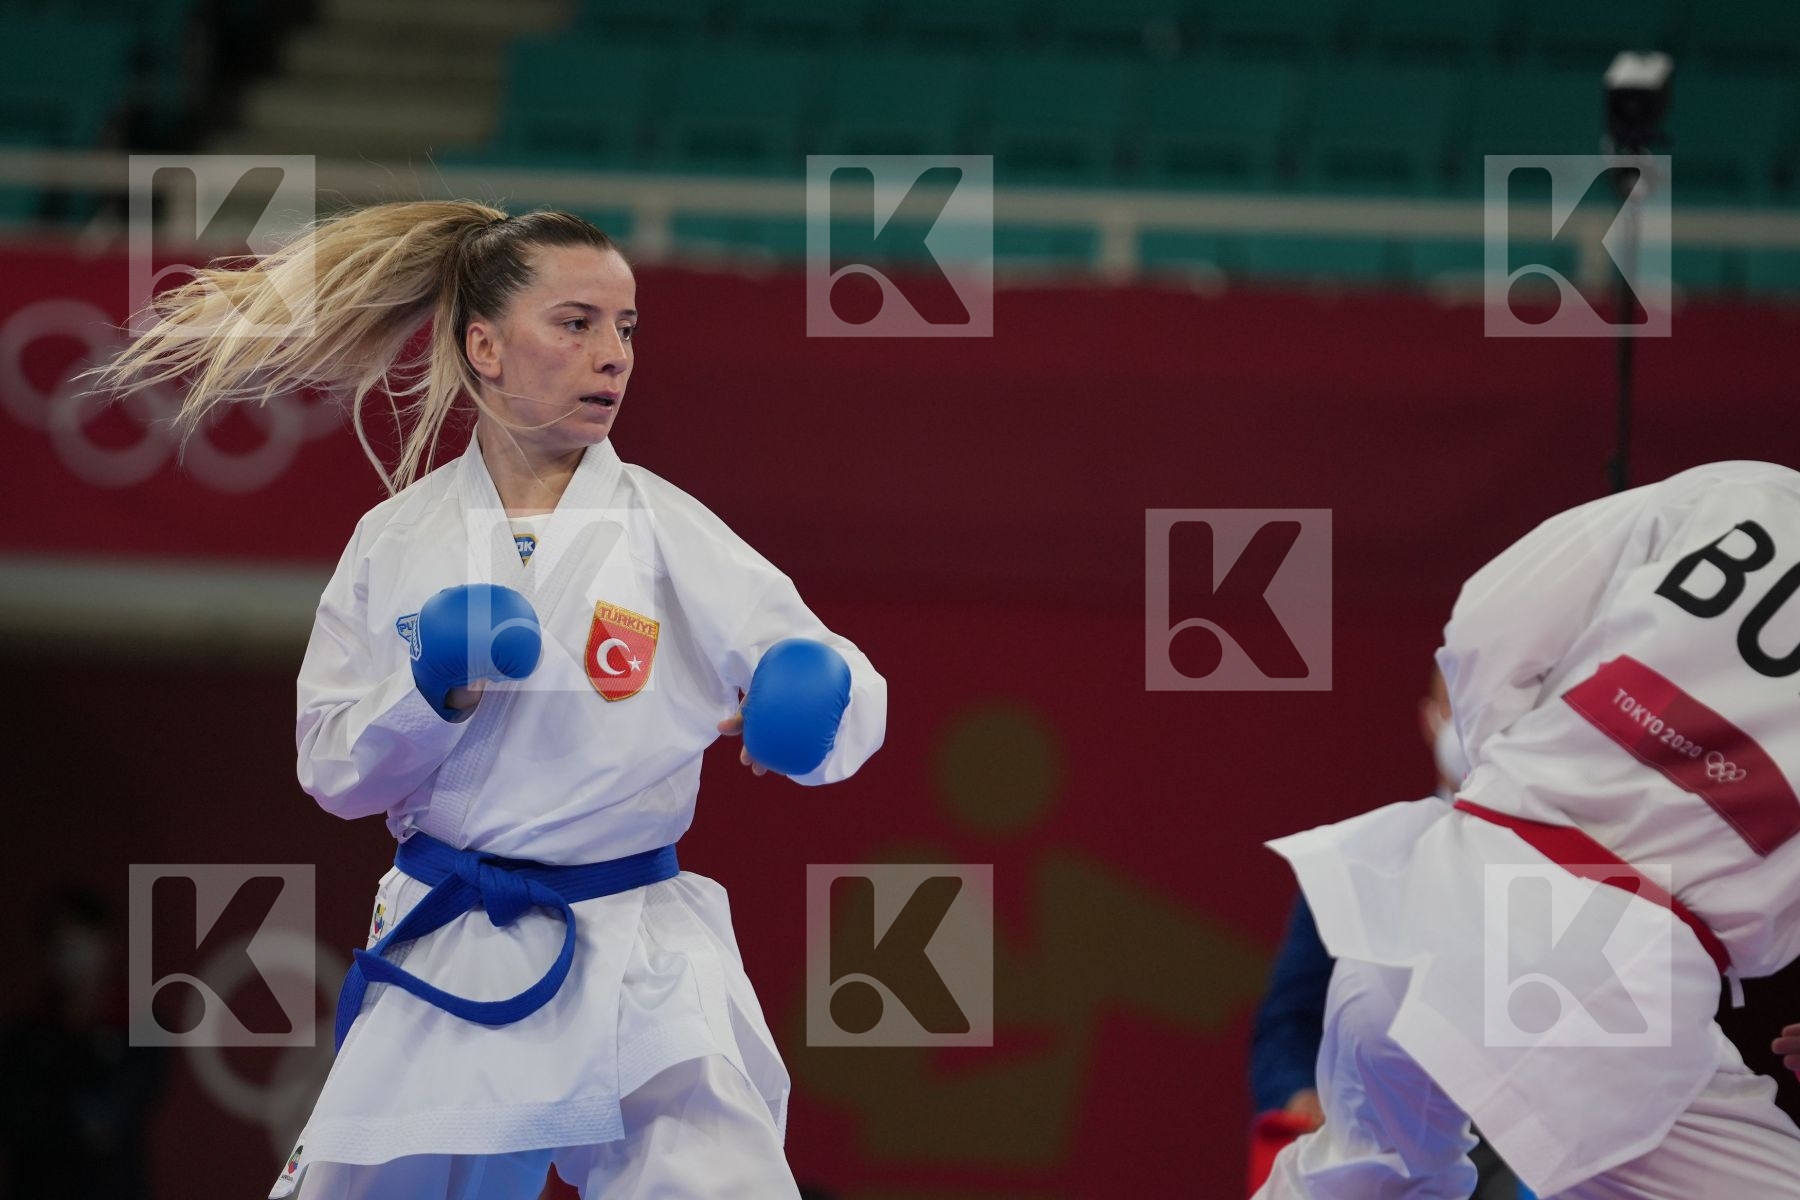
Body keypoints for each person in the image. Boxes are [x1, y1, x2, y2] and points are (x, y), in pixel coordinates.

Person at [92, 201, 888, 1198]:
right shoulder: (398, 540)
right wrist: (435, 688)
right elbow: (333, 769)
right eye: (577, 322)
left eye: (627, 328)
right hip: (454, 940)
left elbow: (832, 676)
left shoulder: (666, 531)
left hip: (637, 944)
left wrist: (818, 703)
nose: (614, 356)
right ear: (486, 346)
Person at [1255, 461, 1800, 1199]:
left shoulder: (1741, 493)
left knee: (1350, 1180)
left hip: (1428, 905)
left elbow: (1489, 618)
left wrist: (1512, 783)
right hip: (1598, 988)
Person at [1249, 669, 1524, 1199]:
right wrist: (1299, 1093)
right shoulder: (1366, 861)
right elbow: (1289, 1019)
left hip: (1531, 1148)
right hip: (1394, 1141)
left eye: (1495, 708)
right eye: (1458, 707)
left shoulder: (1586, 869)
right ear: (1430, 719)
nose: (1477, 726)